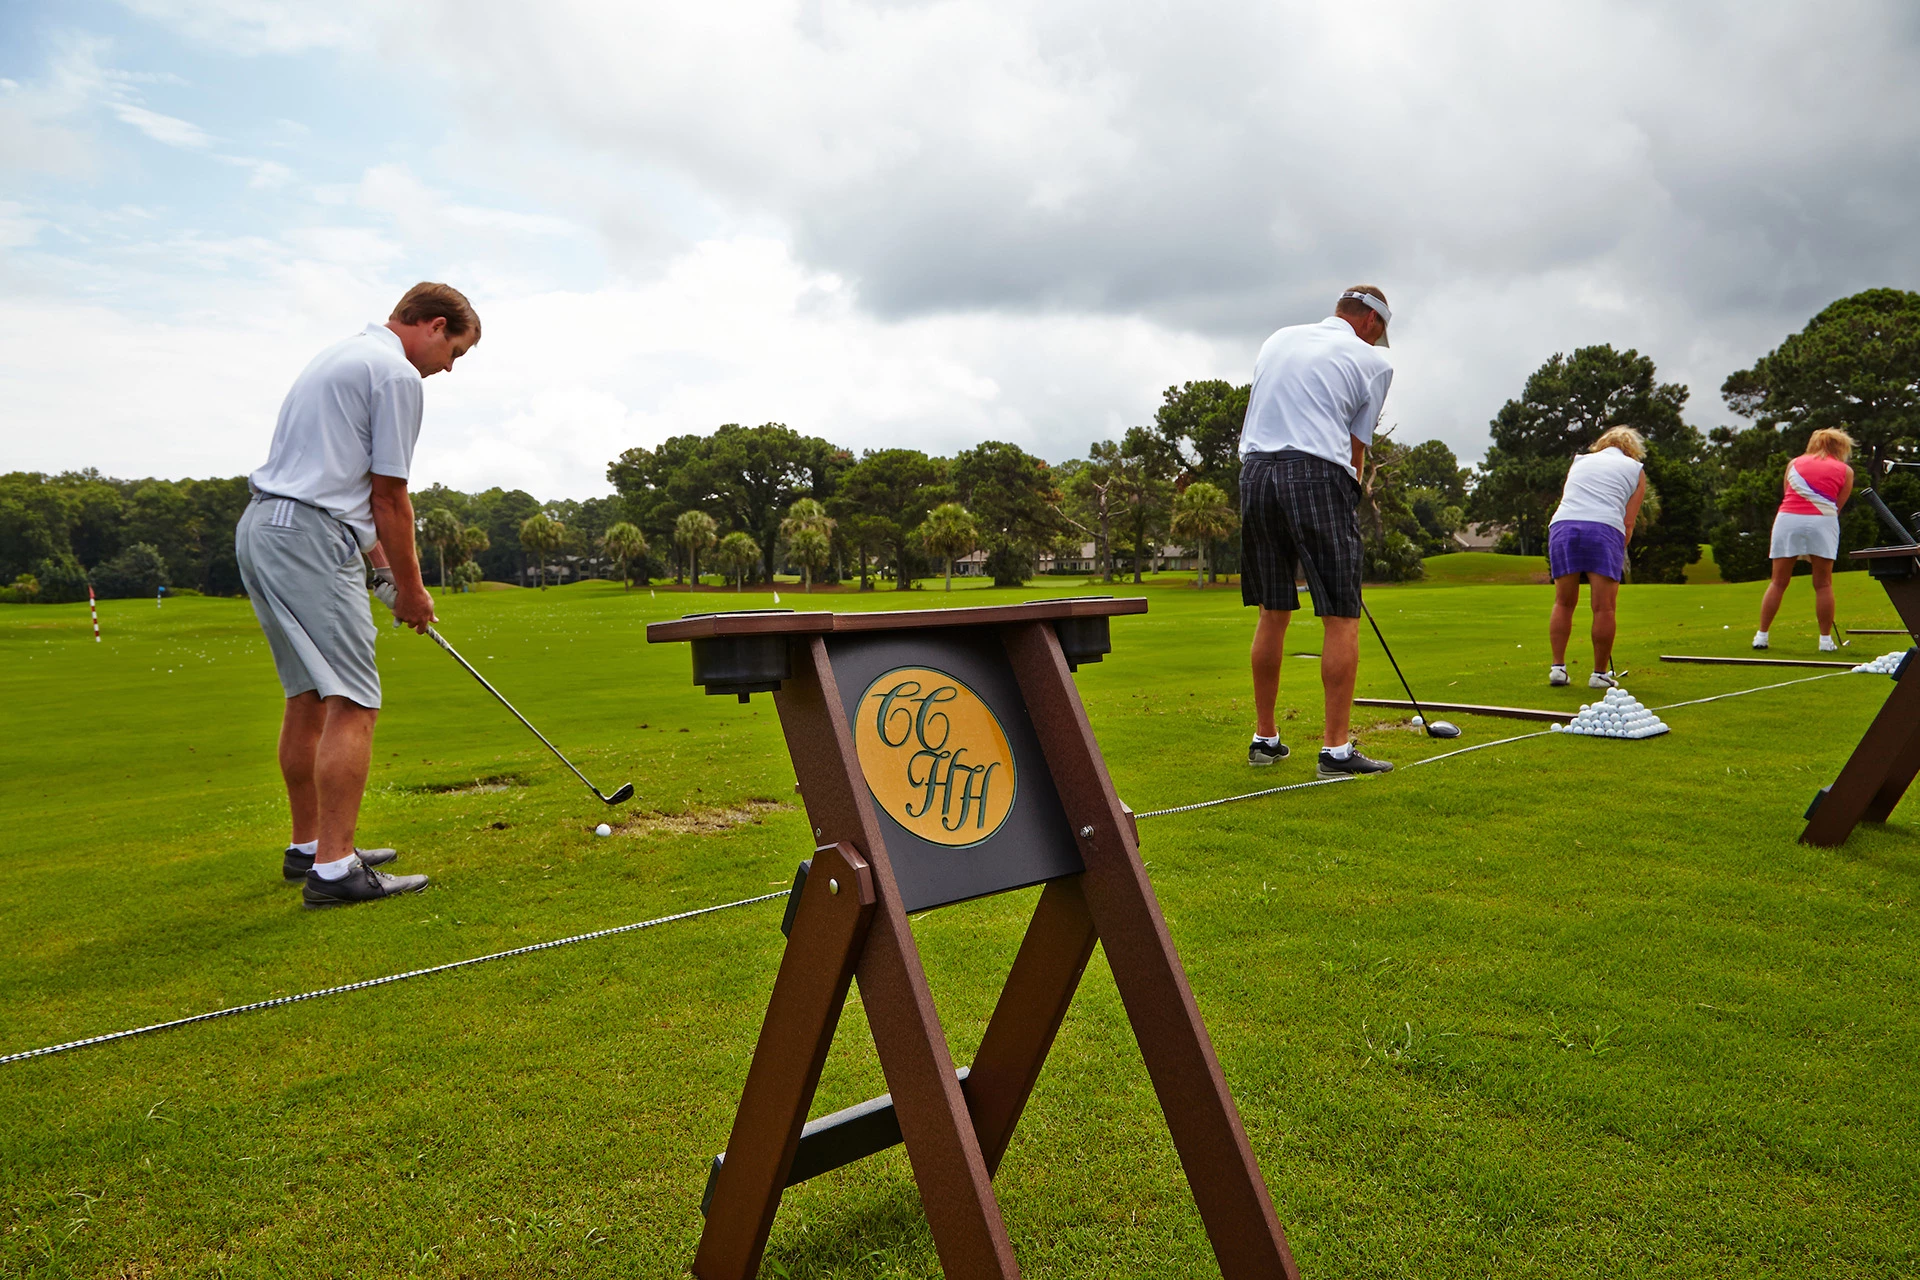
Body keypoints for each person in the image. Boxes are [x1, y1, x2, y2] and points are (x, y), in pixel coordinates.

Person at [235, 282, 481, 908]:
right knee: (355, 700)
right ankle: (336, 869)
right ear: (430, 325)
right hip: (311, 536)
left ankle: (310, 847)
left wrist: (380, 569)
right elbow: (389, 497)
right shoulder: (396, 375)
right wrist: (413, 591)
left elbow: (348, 489)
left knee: (309, 695)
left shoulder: (342, 355)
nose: (449, 367)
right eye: (455, 350)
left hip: (268, 527)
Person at [1240, 285, 1396, 779]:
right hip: (1315, 473)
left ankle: (1265, 739)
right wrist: (1347, 498)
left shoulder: (1278, 338)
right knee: (1340, 615)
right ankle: (1335, 750)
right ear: (1371, 321)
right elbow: (1355, 447)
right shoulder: (1374, 364)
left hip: (1255, 474)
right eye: (1379, 333)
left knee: (1273, 611)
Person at [1545, 426, 1648, 689]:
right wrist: (1620, 547)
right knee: (1604, 607)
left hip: (1563, 526)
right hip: (1604, 529)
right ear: (1632, 450)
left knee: (1563, 602)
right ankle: (1599, 674)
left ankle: (1558, 668)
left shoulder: (1580, 461)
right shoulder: (1636, 470)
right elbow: (1628, 521)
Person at [1754, 428, 1856, 652]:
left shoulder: (1794, 464)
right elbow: (1837, 506)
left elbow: (1786, 493)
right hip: (1823, 521)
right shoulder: (1845, 471)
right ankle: (1825, 641)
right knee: (1823, 583)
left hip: (1787, 519)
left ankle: (1761, 636)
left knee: (1778, 581)